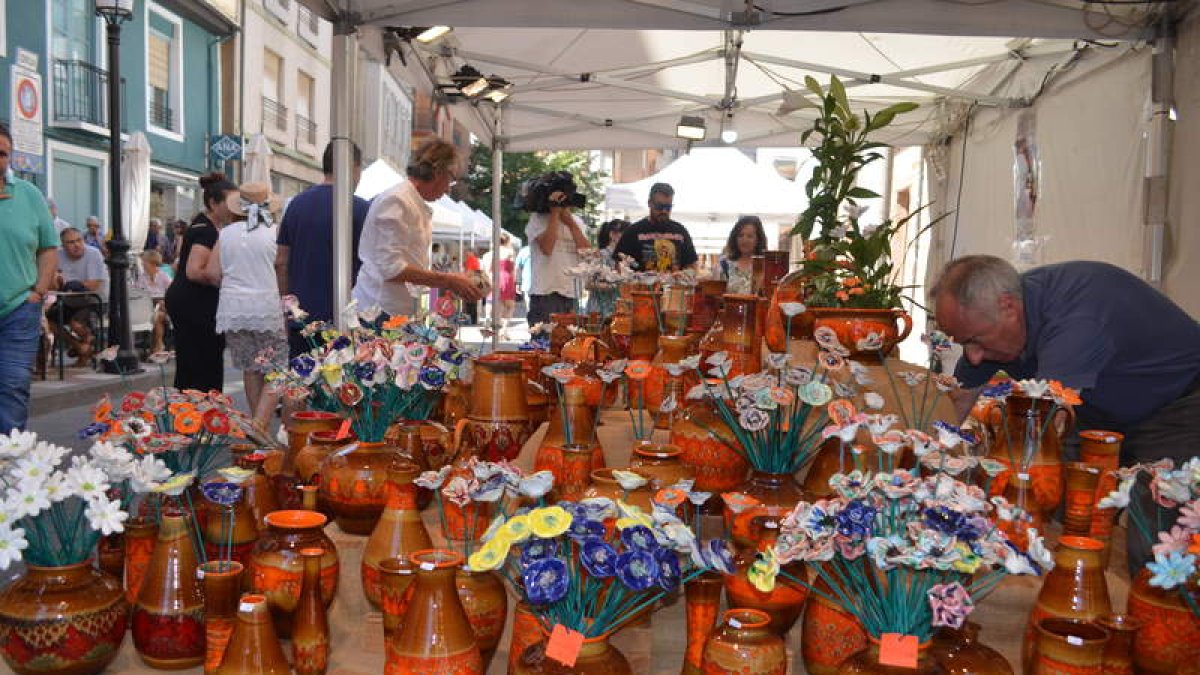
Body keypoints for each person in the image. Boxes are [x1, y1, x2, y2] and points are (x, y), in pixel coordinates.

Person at [931, 255, 1200, 570]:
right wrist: (929, 465)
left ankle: (1166, 612)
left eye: (975, 340)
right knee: (1059, 517)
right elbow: (958, 402)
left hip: (1180, 403)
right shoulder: (994, 321)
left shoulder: (1075, 320)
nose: (973, 357)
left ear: (1008, 306)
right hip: (1103, 409)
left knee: (1159, 539)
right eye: (964, 344)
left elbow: (1046, 424)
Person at [352, 138, 485, 316]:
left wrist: (451, 281)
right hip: (379, 310)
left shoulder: (410, 202)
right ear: (438, 172)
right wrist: (448, 280)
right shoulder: (397, 201)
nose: (448, 189)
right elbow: (391, 267)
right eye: (450, 180)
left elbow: (409, 262)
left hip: (393, 309)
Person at [275, 141, 370, 356]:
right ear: (352, 168)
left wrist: (287, 307)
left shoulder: (296, 205)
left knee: (303, 383)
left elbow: (281, 262)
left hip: (302, 317)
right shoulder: (361, 209)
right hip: (348, 317)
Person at [206, 183, 287, 429]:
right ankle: (260, 424)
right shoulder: (274, 233)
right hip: (267, 306)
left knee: (251, 368)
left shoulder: (225, 233)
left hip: (232, 308)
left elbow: (211, 272)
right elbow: (281, 268)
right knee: (279, 368)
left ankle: (258, 429)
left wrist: (233, 287)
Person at [0, 123, 59, 431]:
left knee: (12, 386)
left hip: (18, 309)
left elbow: (49, 249)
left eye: (2, 153)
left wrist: (38, 291)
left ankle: (8, 470)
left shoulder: (29, 195)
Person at [165, 173, 238, 392]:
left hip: (191, 301)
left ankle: (195, 409)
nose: (235, 208)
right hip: (195, 304)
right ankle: (200, 410)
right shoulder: (205, 231)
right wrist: (223, 280)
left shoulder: (203, 226)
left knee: (196, 361)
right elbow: (194, 271)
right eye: (230, 202)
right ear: (214, 203)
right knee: (201, 362)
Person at [525, 173, 592, 326]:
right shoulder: (537, 219)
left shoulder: (577, 222)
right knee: (545, 344)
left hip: (571, 292)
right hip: (545, 292)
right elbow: (547, 248)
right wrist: (554, 214)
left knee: (570, 346)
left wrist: (571, 223)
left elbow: (587, 253)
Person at [51, 226, 109, 367]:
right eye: (71, 242)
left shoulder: (93, 253)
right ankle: (80, 346)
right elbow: (53, 284)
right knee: (50, 320)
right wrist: (57, 281)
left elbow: (94, 285)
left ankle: (86, 346)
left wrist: (70, 285)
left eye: (79, 240)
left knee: (75, 322)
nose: (76, 245)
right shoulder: (57, 255)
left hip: (94, 300)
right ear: (63, 245)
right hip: (69, 301)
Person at [613, 182, 698, 273]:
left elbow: (691, 264)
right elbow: (619, 264)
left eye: (668, 207)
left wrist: (686, 275)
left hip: (674, 286)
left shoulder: (681, 231)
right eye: (659, 207)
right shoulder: (633, 231)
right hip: (641, 286)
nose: (664, 211)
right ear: (650, 203)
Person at [717, 215, 767, 294]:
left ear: (758, 239)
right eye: (741, 235)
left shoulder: (766, 266)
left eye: (749, 236)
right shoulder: (724, 265)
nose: (744, 240)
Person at [134, 249, 171, 355]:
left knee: (157, 316)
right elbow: (138, 294)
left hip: (164, 309)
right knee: (155, 316)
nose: (142, 265)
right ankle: (158, 347)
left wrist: (164, 301)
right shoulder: (142, 277)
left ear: (152, 263)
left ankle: (157, 347)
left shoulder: (164, 276)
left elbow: (172, 295)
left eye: (144, 262)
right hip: (147, 309)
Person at [483, 233, 518, 339]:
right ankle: (504, 330)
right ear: (507, 241)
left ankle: (496, 329)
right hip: (507, 279)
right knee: (510, 306)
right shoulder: (510, 252)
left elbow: (487, 270)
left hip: (494, 279)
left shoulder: (489, 254)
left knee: (497, 306)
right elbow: (513, 270)